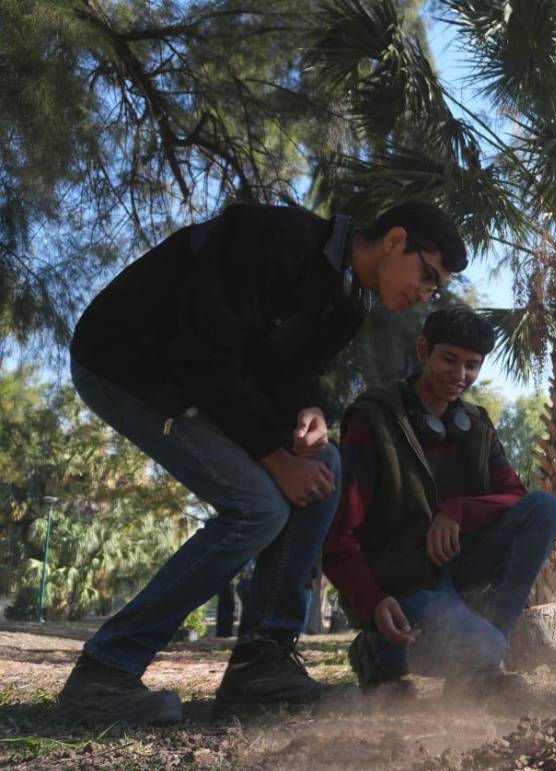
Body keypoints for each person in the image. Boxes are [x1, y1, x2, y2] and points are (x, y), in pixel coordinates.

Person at [59, 201, 468, 724]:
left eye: (434, 289)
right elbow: (200, 354)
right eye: (425, 275)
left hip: (199, 378)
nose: (423, 295)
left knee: (329, 466)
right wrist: (275, 459)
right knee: (258, 508)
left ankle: (261, 662)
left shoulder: (350, 301)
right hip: (128, 363)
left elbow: (284, 374)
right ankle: (104, 671)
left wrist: (312, 410)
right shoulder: (278, 237)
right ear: (394, 241)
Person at [322, 307, 556, 699]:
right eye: (449, 359)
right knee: (483, 646)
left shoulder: (477, 424)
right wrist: (372, 601)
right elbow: (339, 534)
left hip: (461, 565)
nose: (460, 376)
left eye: (472, 365)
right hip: (405, 580)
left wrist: (457, 511)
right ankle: (376, 653)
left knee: (546, 508)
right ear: (423, 350)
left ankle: (478, 674)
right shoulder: (374, 419)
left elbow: (515, 497)